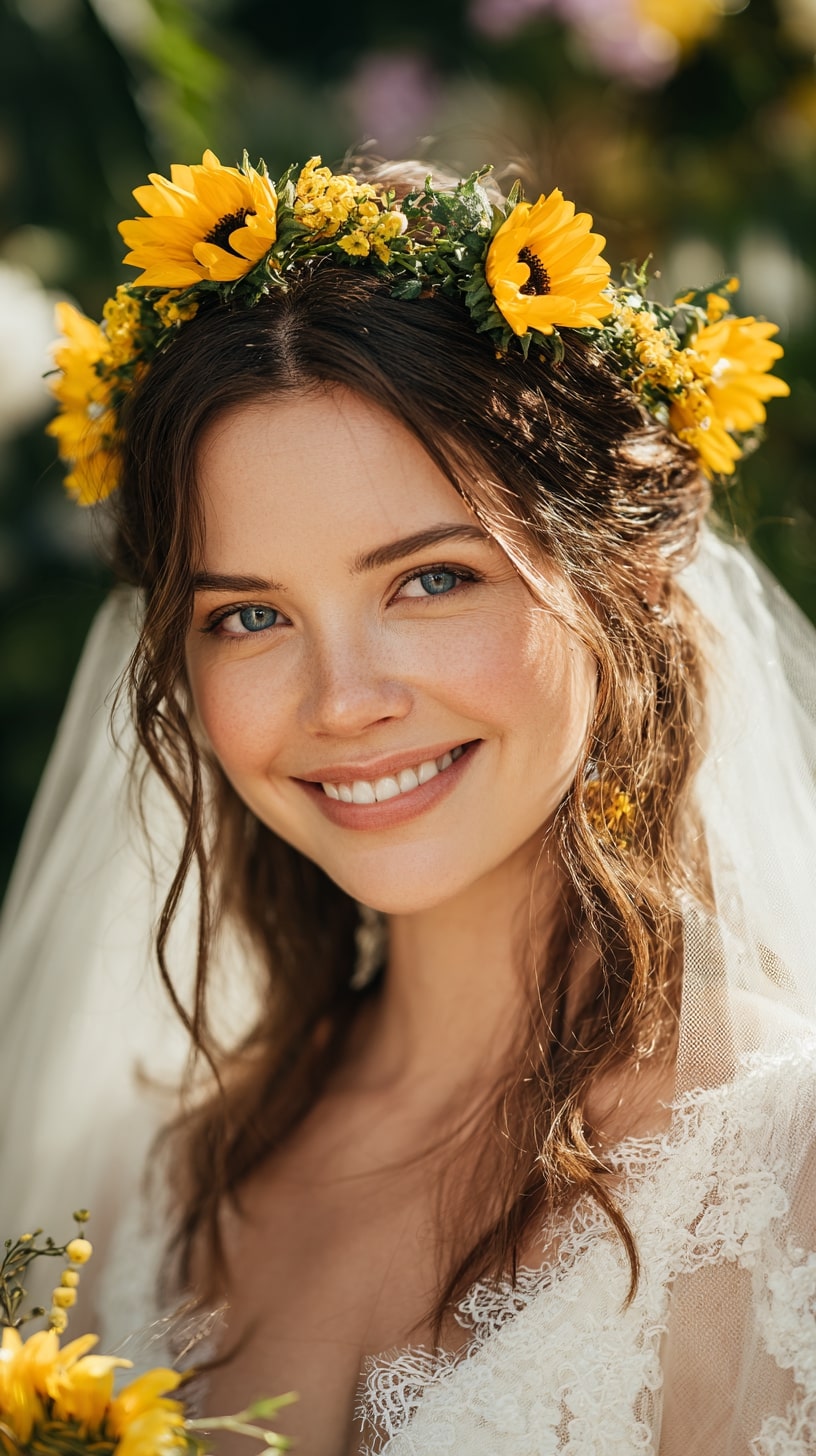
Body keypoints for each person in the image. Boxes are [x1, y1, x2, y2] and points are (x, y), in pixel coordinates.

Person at [1, 150, 814, 1456]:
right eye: (250, 615)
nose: (343, 701)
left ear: (626, 582)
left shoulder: (780, 1169)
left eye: (429, 582)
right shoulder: (137, 1180)